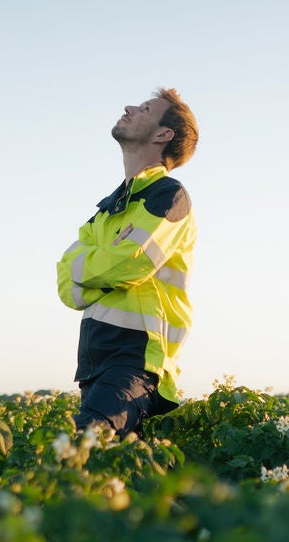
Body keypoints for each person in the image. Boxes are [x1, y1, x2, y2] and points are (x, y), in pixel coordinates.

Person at [55, 88, 199, 436]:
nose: (129, 107)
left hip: (136, 362)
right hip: (93, 363)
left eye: (145, 108)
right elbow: (65, 285)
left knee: (82, 447)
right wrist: (106, 268)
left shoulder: (168, 196)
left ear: (163, 135)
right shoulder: (107, 209)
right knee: (106, 475)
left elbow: (129, 263)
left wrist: (90, 268)